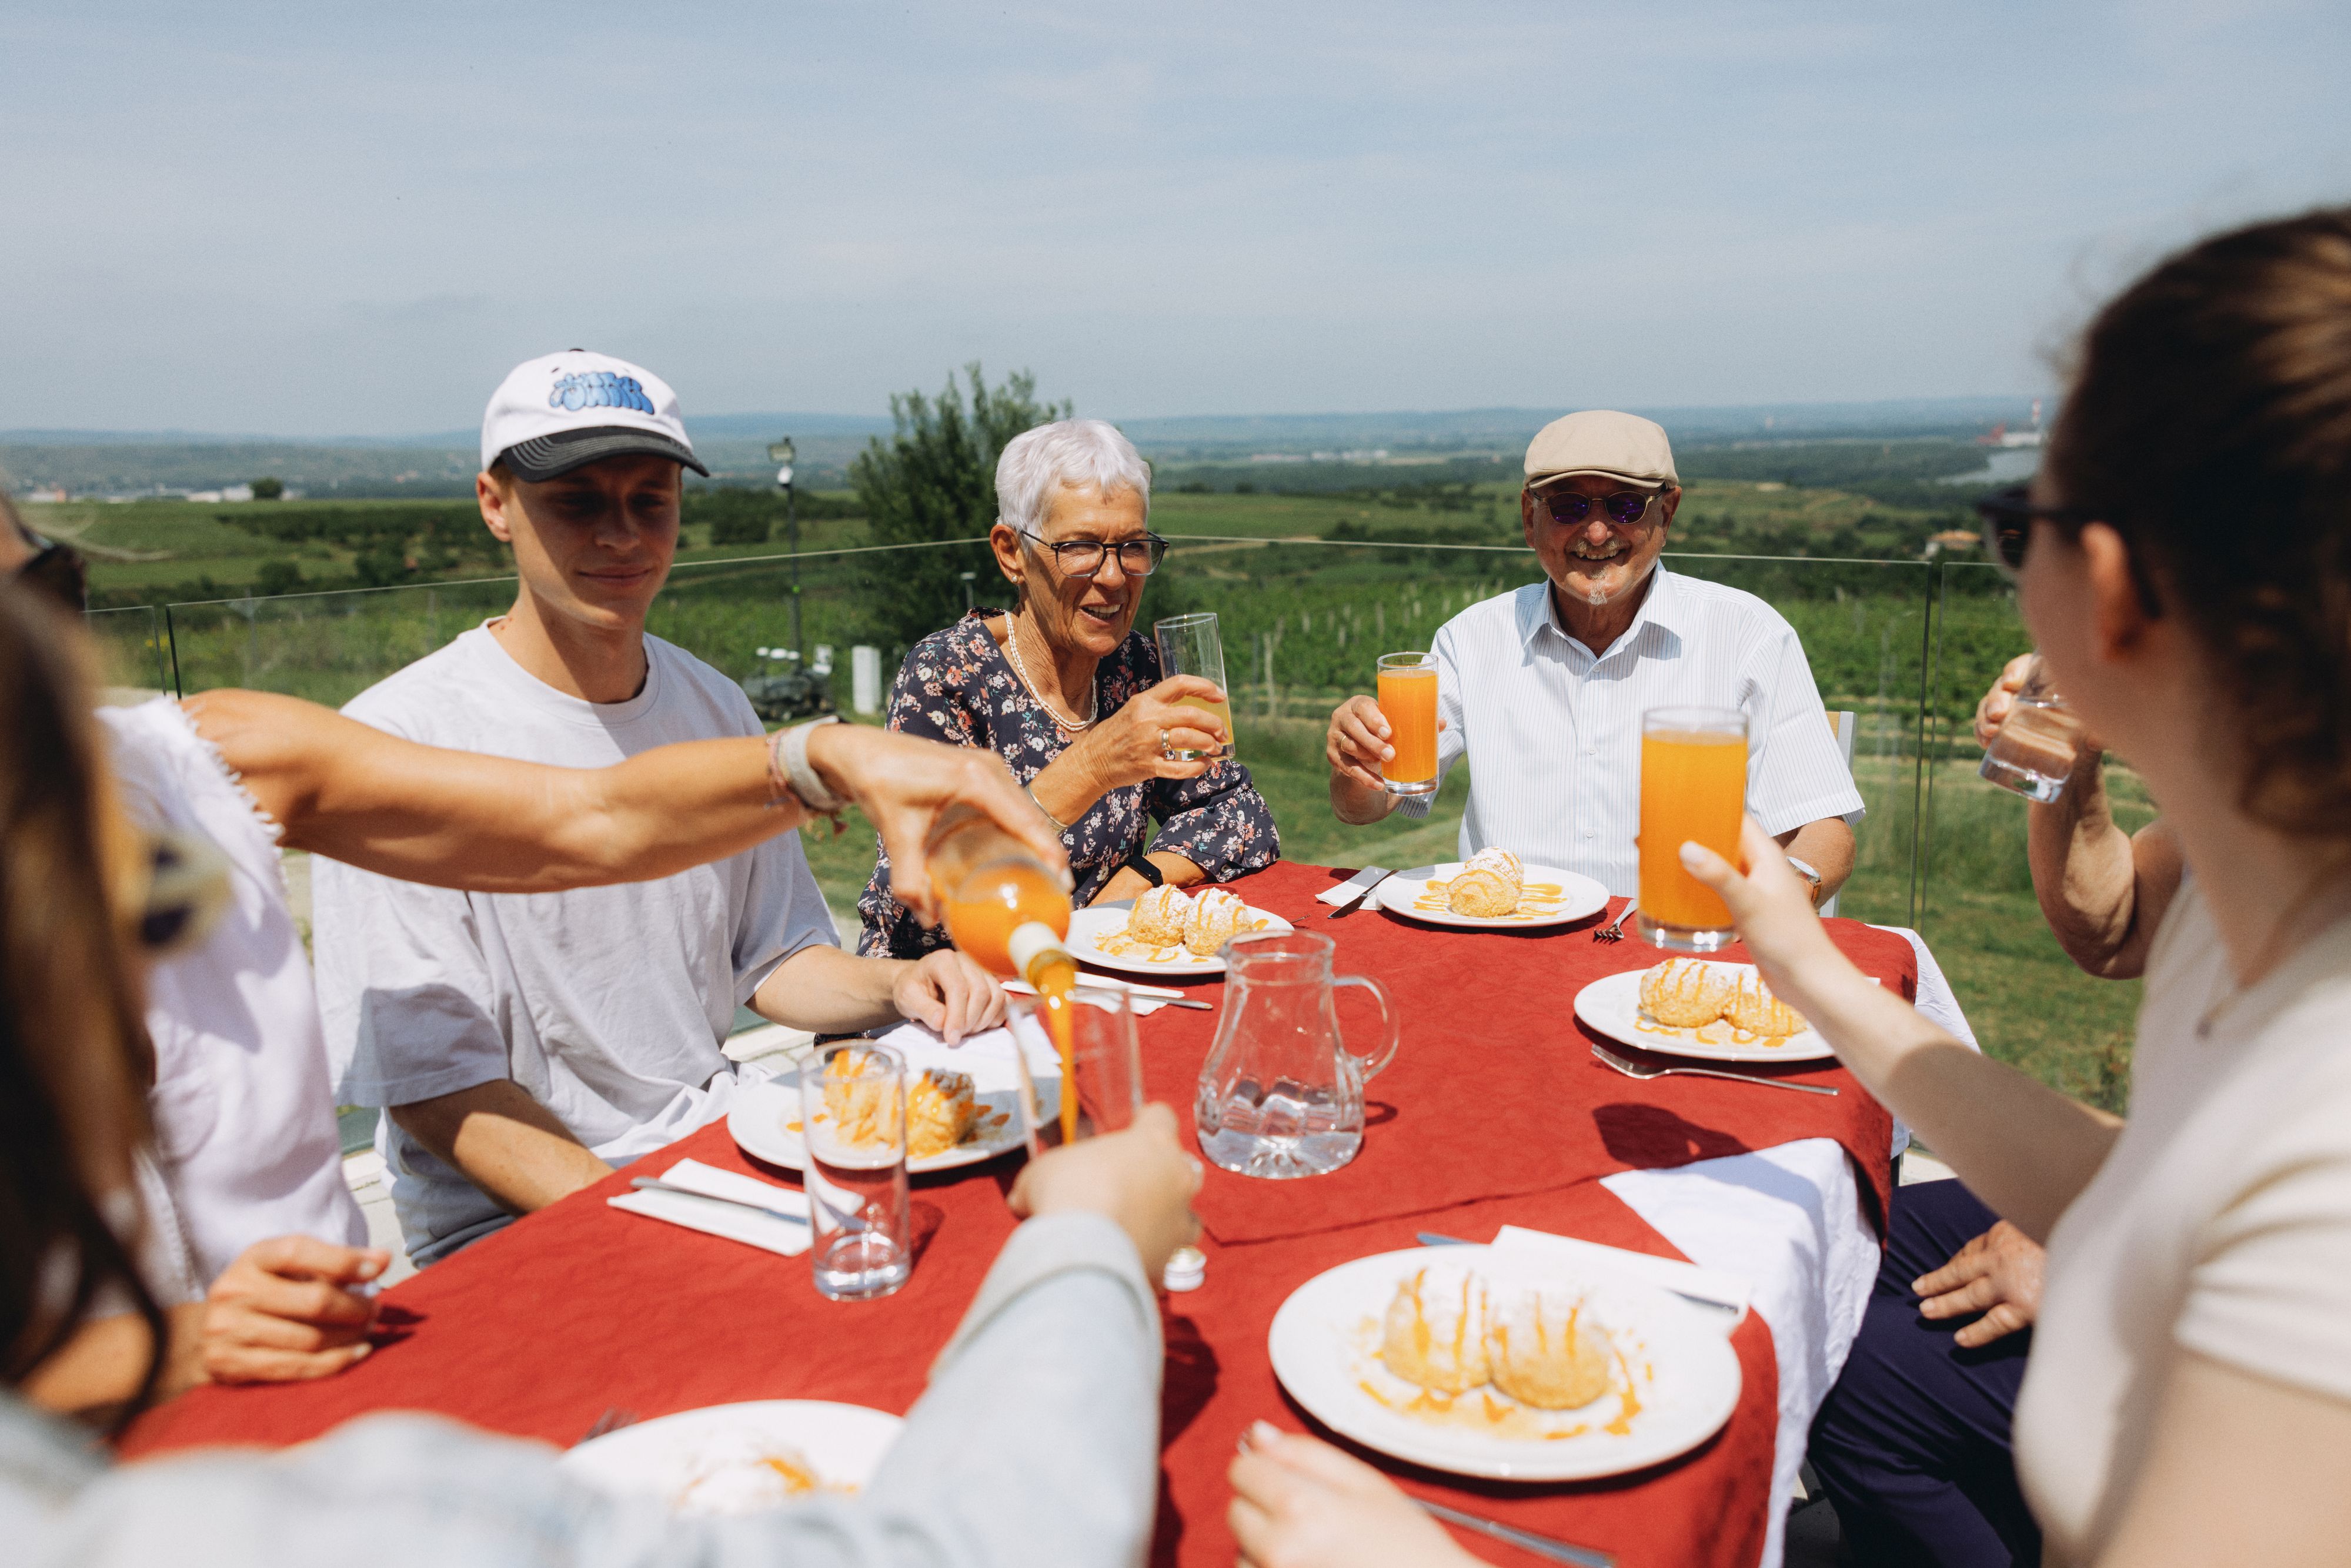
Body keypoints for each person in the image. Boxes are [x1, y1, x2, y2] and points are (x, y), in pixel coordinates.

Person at [2, 581, 1205, 1565]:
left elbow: (586, 821)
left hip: (339, 1345)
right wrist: (1090, 1253)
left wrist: (820, 757)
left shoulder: (187, 762)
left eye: (44, 592)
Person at [1677, 208, 2351, 1567]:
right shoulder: (2262, 891)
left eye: (2012, 522)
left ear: (2104, 590)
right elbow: (2139, 1185)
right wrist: (1804, 962)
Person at [309, 349, 1006, 1269]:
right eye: (578, 501)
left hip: (714, 1161)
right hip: (516, 1227)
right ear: (493, 505)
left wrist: (897, 985)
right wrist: (652, 1219)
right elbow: (439, 1094)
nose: (622, 535)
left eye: (651, 499)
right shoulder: (396, 741)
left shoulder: (713, 705)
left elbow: (775, 954)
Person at [1805, 647, 2188, 1566]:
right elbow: (2115, 923)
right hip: (2176, 1192)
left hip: (2277, 1284)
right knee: (1840, 1230)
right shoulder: (2293, 777)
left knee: (1855, 1381)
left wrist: (2097, 1232)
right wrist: (2072, 772)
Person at [1321, 410, 1861, 905]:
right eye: (1569, 506)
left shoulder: (1747, 636)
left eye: (1626, 506)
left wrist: (1786, 892)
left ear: (1667, 512)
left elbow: (1824, 830)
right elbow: (1365, 808)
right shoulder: (1471, 639)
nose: (1597, 531)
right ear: (1530, 519)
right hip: (1505, 940)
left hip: (1672, 935)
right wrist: (1357, 764)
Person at [859, 417, 1279, 958]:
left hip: (1091, 975)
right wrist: (1093, 765)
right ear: (1012, 552)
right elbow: (930, 899)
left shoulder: (1135, 669)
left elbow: (1241, 816)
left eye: (1132, 546)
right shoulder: (947, 676)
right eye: (1080, 546)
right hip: (948, 997)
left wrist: (1139, 880)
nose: (1112, 576)